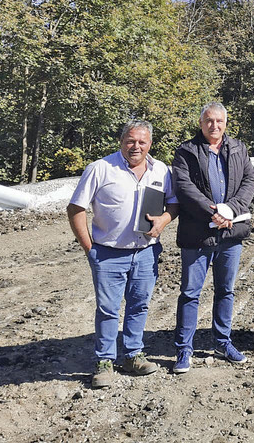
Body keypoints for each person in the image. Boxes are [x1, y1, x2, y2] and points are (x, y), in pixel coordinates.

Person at [67, 120, 178, 388]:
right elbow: (75, 209)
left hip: (146, 253)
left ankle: (133, 355)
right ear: (121, 141)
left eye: (142, 142)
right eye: (130, 141)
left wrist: (163, 220)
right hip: (108, 253)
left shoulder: (161, 170)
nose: (135, 146)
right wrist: (89, 247)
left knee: (139, 306)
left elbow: (173, 204)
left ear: (150, 144)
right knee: (108, 310)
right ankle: (104, 361)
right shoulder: (101, 168)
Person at [171, 102, 254, 373]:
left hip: (230, 235)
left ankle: (222, 341)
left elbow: (249, 181)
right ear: (201, 122)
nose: (214, 126)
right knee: (190, 293)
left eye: (219, 121)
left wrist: (231, 209)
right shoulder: (186, 151)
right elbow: (184, 187)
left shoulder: (239, 148)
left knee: (225, 290)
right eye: (209, 121)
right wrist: (214, 211)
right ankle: (184, 349)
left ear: (225, 123)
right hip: (198, 235)